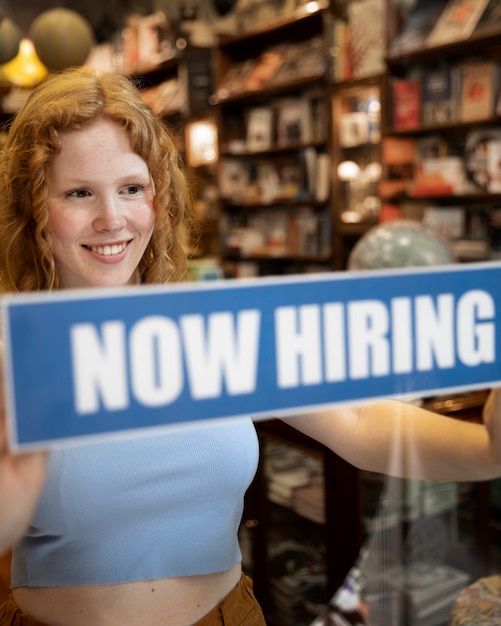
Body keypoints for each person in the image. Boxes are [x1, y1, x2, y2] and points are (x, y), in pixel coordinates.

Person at [0, 66, 501, 626]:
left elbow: (359, 424)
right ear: (36, 211)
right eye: (78, 193)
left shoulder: (212, 328)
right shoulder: (12, 350)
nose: (112, 219)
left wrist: (487, 448)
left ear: (157, 196)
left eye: (131, 188)